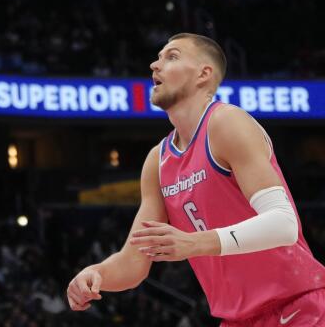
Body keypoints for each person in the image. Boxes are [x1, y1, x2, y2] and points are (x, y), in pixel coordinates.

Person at [66, 33, 325, 326]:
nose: (155, 65)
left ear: (204, 74)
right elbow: (134, 261)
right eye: (158, 57)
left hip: (299, 306)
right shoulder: (158, 162)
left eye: (172, 56)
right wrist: (98, 273)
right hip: (238, 320)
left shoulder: (226, 122)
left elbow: (283, 223)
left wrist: (195, 243)